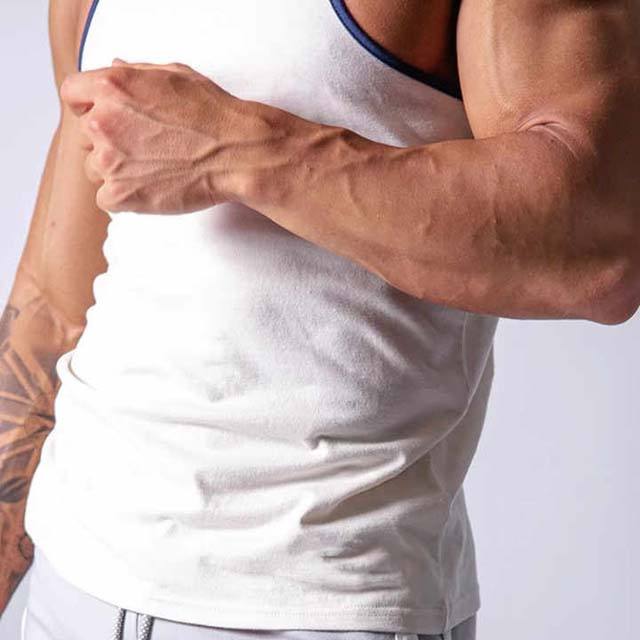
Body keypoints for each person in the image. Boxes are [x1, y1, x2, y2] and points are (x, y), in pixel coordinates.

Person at [1, 0, 638, 638]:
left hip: (325, 602)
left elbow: (602, 243)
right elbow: (52, 308)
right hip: (71, 583)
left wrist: (242, 152)